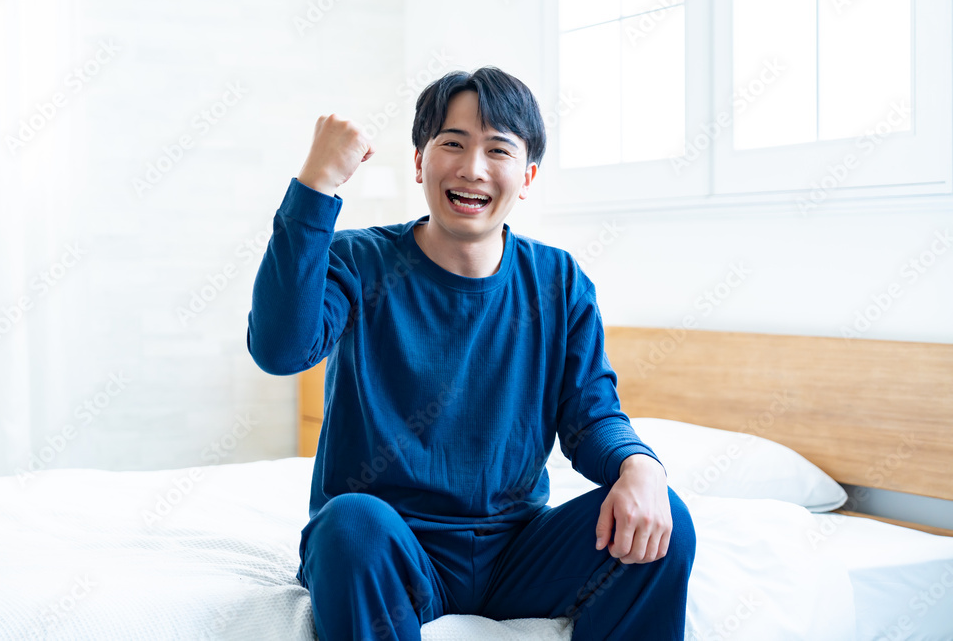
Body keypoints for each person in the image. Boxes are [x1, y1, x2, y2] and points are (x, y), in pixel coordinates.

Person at [246, 66, 695, 641]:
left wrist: (641, 465)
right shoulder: (358, 261)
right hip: (393, 551)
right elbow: (280, 350)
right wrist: (316, 185)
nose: (473, 168)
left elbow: (592, 417)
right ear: (419, 162)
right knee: (349, 524)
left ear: (527, 176)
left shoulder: (559, 281)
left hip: (518, 555)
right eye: (452, 144)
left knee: (665, 524)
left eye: (498, 150)